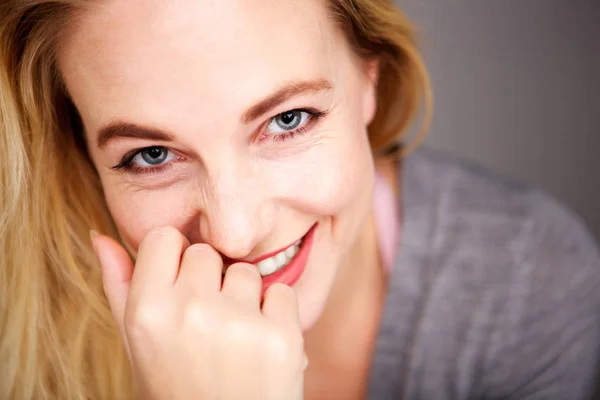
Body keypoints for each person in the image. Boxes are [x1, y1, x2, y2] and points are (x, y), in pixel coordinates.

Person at [1, 0, 599, 398]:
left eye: (289, 119)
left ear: (372, 76)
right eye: (151, 155)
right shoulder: (18, 328)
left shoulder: (530, 280)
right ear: (80, 152)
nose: (236, 232)